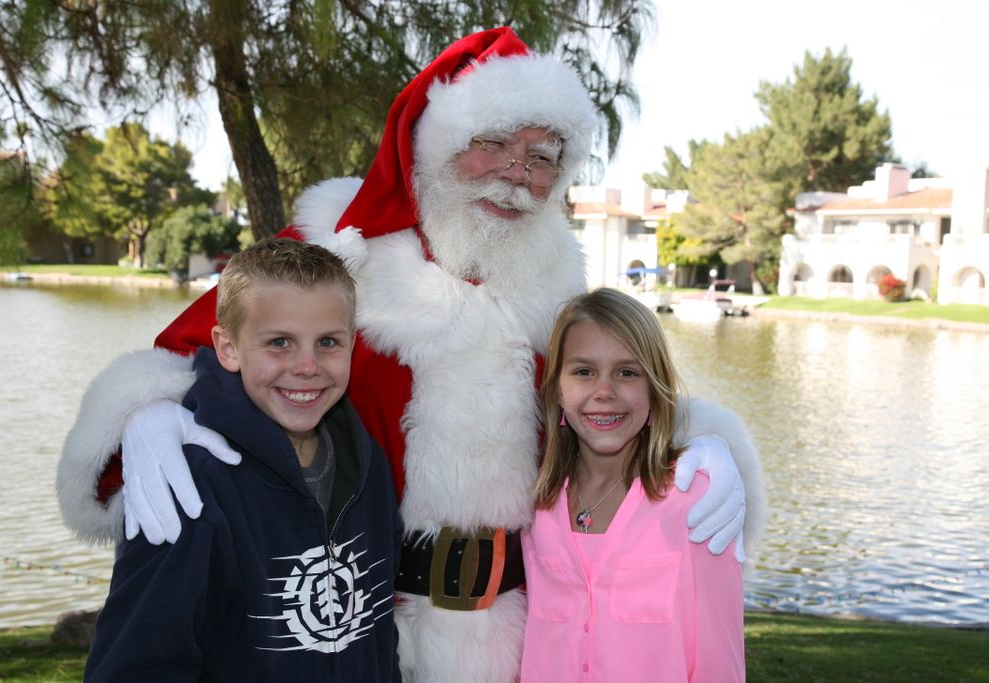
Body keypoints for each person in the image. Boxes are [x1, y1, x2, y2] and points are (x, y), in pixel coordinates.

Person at [58, 27, 766, 682]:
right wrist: (148, 413)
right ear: (436, 141)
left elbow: (607, 396)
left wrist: (703, 440)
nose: (515, 175)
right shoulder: (337, 247)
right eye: (493, 143)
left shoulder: (558, 283)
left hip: (523, 636)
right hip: (361, 630)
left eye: (542, 158)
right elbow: (214, 342)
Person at [82, 239, 402, 682]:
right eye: (280, 342)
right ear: (228, 348)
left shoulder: (369, 466)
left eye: (328, 342)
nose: (307, 366)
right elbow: (136, 664)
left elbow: (379, 634)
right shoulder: (190, 484)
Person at [521, 288, 744, 682]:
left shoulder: (695, 501)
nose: (604, 392)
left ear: (655, 389)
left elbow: (719, 659)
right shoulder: (533, 505)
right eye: (583, 371)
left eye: (627, 372)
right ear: (557, 386)